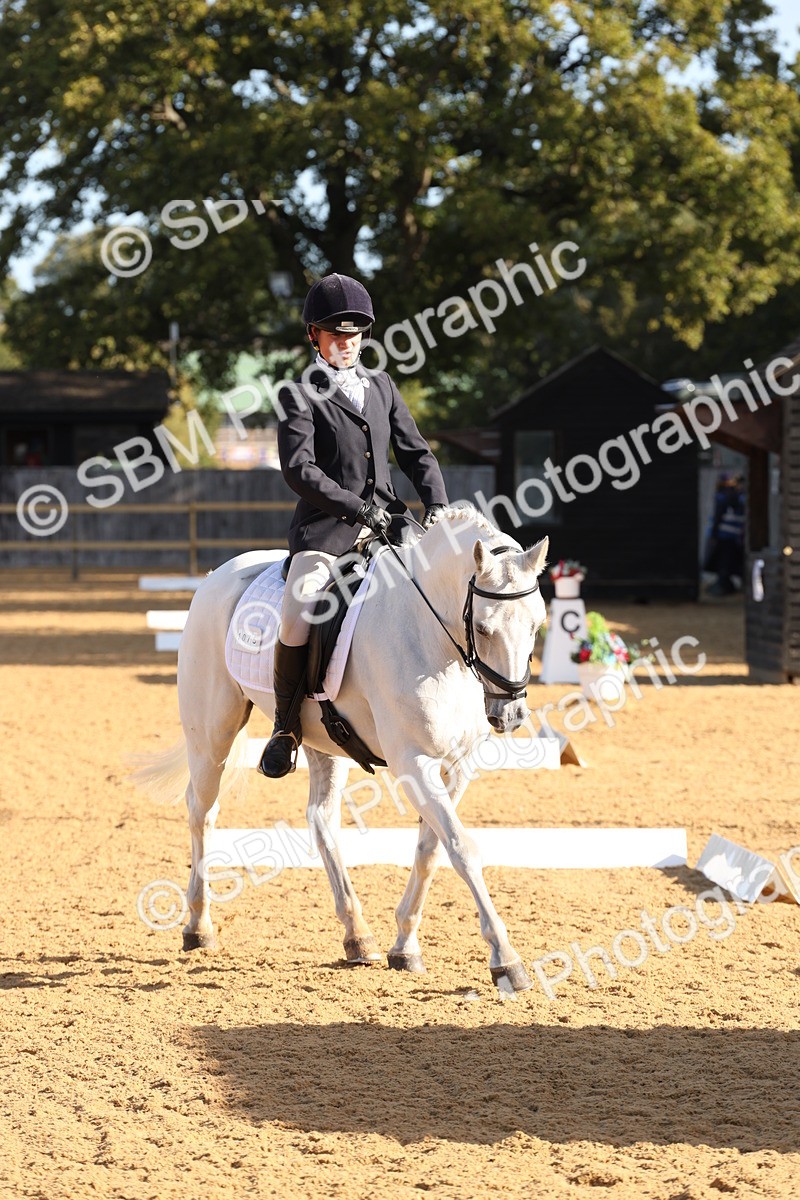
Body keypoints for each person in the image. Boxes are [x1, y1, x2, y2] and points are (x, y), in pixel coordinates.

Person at [258, 273, 449, 778]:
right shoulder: (298, 393)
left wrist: (439, 509)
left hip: (392, 525)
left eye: (355, 333)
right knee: (299, 608)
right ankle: (285, 727)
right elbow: (300, 470)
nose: (347, 343)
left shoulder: (381, 386)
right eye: (335, 333)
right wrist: (357, 510)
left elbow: (416, 453)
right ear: (314, 336)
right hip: (327, 530)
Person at [705, 472, 745, 597]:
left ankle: (723, 586)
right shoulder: (736, 496)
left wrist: (714, 534)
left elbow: (718, 516)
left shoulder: (725, 496)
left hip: (725, 535)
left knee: (724, 563)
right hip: (732, 535)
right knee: (726, 562)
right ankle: (725, 585)